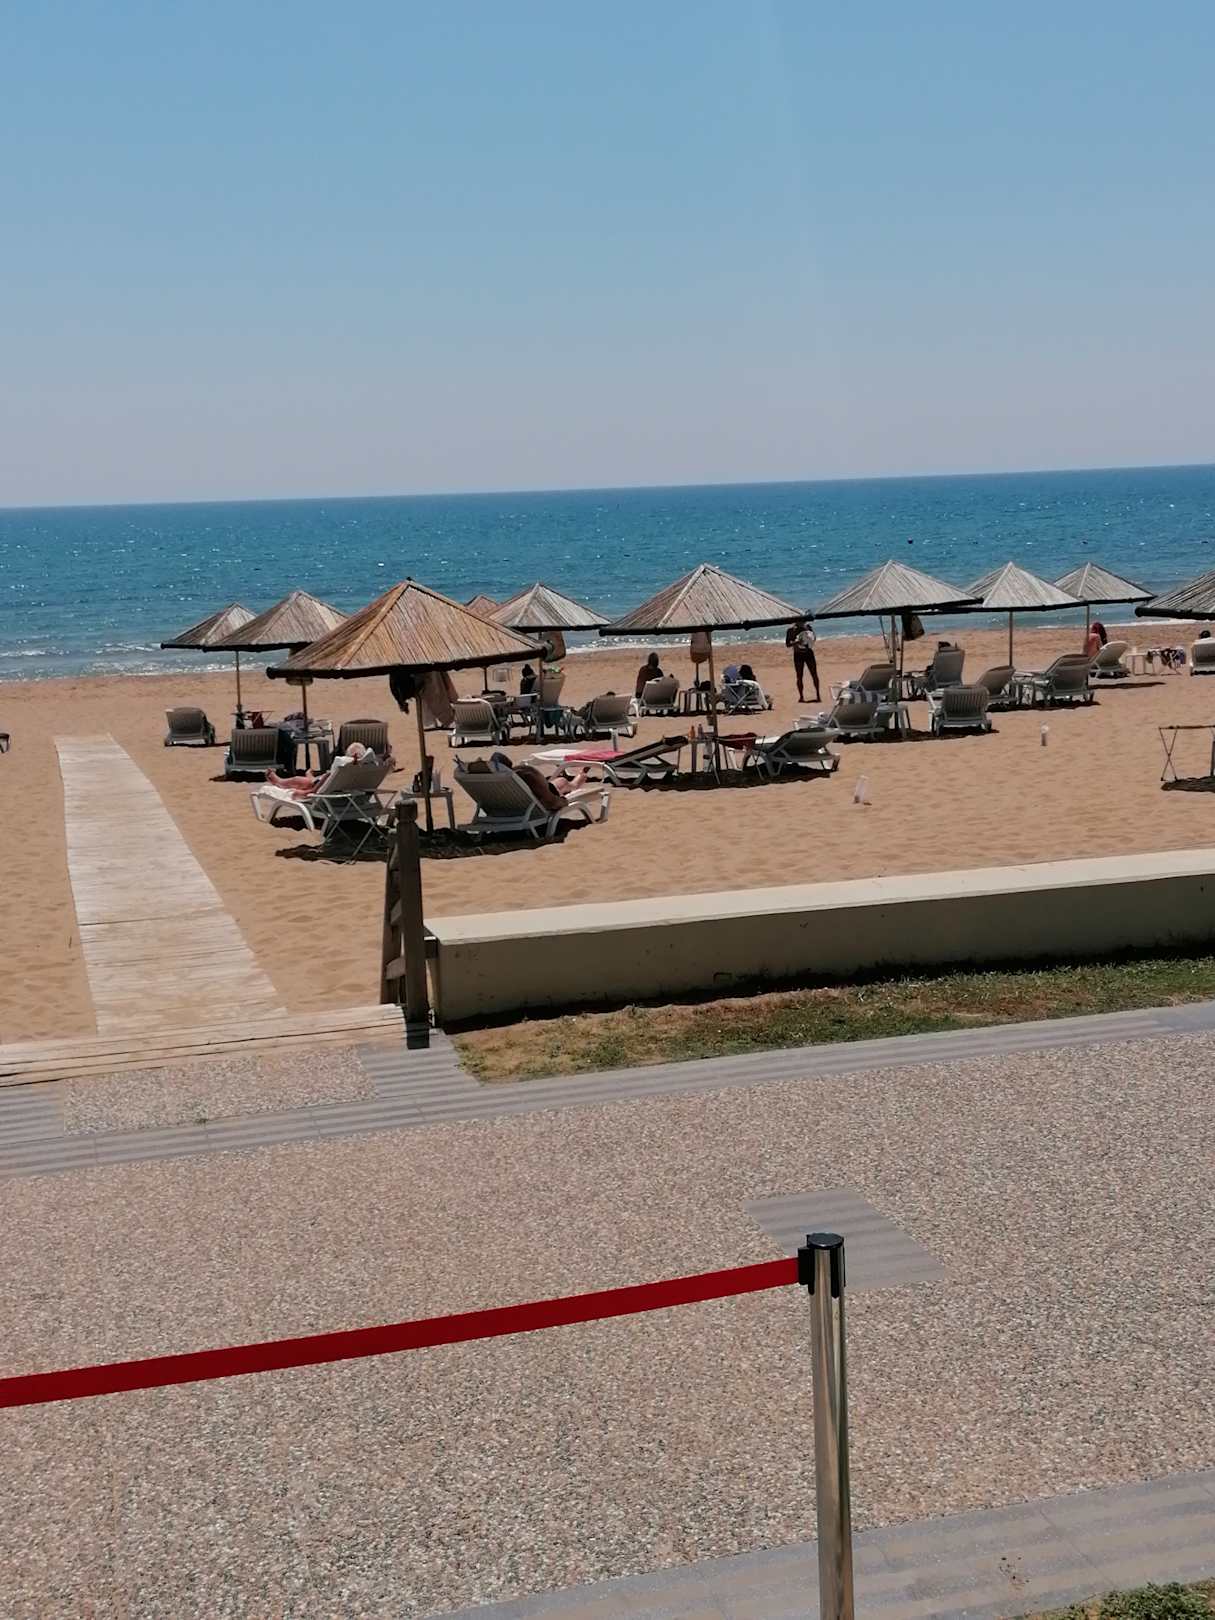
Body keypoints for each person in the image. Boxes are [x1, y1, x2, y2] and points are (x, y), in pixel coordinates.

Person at [267, 742, 373, 799]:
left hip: (325, 788)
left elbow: (315, 790)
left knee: (300, 780)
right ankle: (309, 775)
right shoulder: (366, 771)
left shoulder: (342, 769)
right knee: (313, 779)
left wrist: (305, 793)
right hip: (347, 794)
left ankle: (279, 782)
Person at [786, 617, 821, 703]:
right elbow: (788, 644)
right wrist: (797, 642)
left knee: (814, 674)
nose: (802, 622)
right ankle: (801, 696)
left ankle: (818, 695)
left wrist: (809, 639)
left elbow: (814, 638)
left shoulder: (808, 627)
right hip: (798, 654)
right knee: (799, 676)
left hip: (809, 653)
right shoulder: (791, 630)